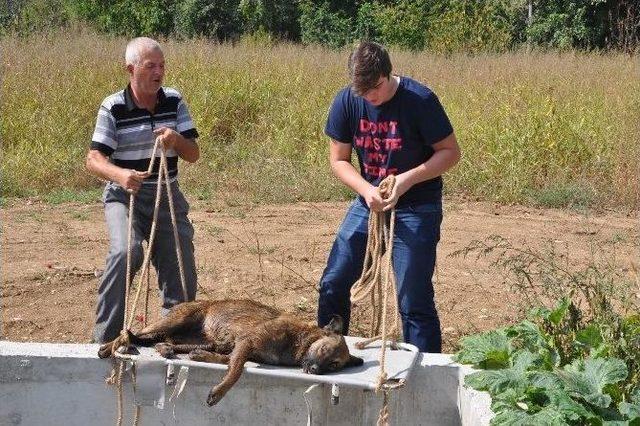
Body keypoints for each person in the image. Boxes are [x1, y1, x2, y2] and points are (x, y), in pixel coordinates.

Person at [317, 41, 461, 353]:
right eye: (363, 91)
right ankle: (326, 355)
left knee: (412, 296)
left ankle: (424, 374)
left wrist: (407, 180)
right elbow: (339, 159)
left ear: (387, 73)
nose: (371, 97)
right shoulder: (346, 101)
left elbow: (450, 153)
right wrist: (367, 190)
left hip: (416, 205)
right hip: (368, 203)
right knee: (334, 282)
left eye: (376, 88)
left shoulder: (419, 100)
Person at [86, 37, 200, 344]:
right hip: (125, 196)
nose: (158, 72)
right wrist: (120, 175)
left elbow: (193, 154)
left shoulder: (174, 100)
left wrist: (176, 140)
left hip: (167, 193)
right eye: (151, 66)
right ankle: (106, 339)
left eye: (162, 66)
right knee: (126, 251)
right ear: (131, 69)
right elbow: (94, 160)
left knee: (181, 262)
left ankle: (173, 339)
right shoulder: (114, 106)